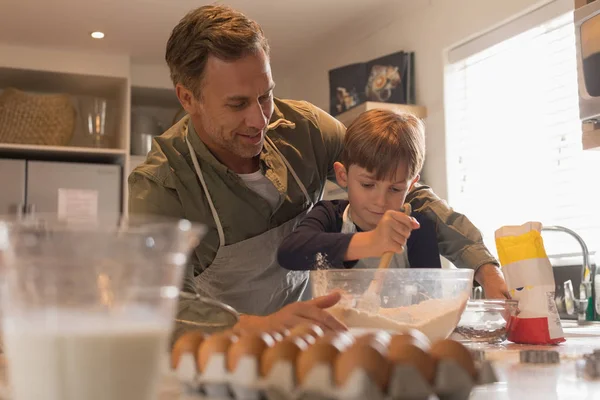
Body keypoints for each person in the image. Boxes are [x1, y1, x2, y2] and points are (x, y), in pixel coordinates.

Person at [128, 4, 508, 337]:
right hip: (223, 353)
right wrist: (259, 326)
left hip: (308, 339)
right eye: (238, 103)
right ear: (188, 98)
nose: (259, 118)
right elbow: (156, 302)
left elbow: (398, 182)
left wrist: (482, 264)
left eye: (266, 95)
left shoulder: (306, 129)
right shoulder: (160, 186)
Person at [277, 109, 442, 271]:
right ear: (343, 176)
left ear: (411, 185)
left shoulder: (418, 229)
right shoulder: (329, 216)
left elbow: (429, 294)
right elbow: (290, 253)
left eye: (395, 189)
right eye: (368, 185)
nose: (380, 201)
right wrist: (371, 242)